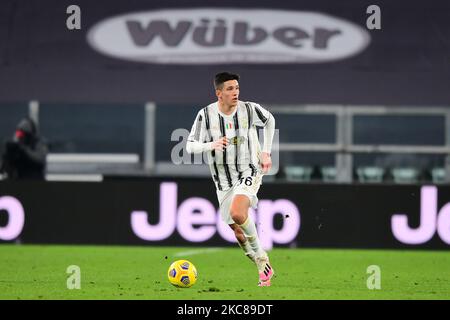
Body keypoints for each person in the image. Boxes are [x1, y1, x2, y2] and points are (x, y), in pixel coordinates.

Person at [186, 72, 276, 286]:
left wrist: (266, 152)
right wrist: (211, 145)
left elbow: (270, 120)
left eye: (236, 87)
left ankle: (262, 257)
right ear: (219, 93)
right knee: (237, 231)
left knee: (238, 212)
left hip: (249, 170)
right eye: (229, 89)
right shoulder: (205, 115)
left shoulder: (249, 109)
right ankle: (256, 260)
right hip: (223, 181)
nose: (235, 92)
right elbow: (190, 145)